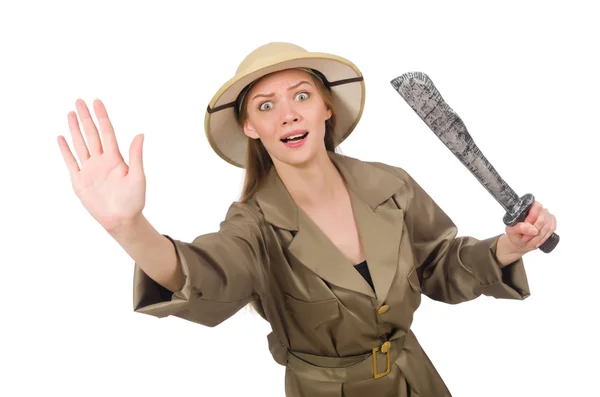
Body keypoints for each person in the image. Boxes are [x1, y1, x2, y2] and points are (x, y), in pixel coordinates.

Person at [57, 42, 557, 397]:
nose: (289, 115)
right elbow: (205, 273)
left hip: (417, 382)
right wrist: (129, 227)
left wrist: (507, 248)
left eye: (301, 96)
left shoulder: (392, 185)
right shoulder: (253, 225)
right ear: (251, 128)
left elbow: (441, 266)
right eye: (266, 106)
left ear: (325, 108)